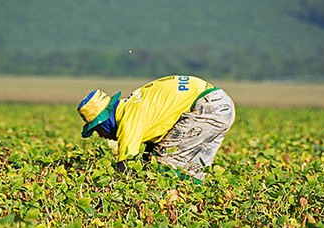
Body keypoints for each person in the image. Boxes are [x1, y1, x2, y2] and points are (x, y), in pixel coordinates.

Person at [77, 75, 235, 181]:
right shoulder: (131, 106)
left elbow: (126, 165)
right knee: (193, 170)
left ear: (104, 121)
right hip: (220, 102)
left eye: (97, 130)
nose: (101, 135)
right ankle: (195, 203)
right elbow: (154, 145)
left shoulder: (128, 120)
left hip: (205, 106)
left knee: (163, 164)